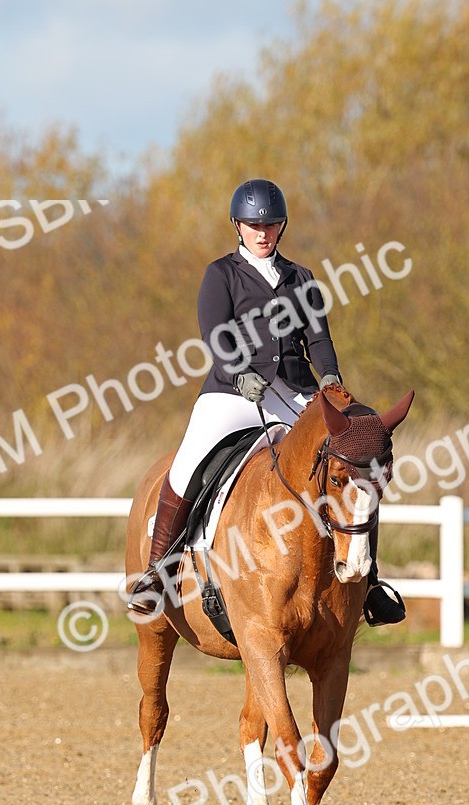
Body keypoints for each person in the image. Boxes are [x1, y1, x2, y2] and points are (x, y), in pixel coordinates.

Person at [127, 178, 405, 626]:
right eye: (254, 225)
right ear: (238, 225)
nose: (263, 232)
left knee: (355, 462)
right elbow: (214, 334)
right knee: (187, 463)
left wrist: (330, 378)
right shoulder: (221, 275)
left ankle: (369, 583)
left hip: (294, 392)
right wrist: (239, 372)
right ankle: (155, 574)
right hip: (232, 391)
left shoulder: (302, 279)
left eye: (271, 225)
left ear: (282, 227)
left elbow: (319, 338)